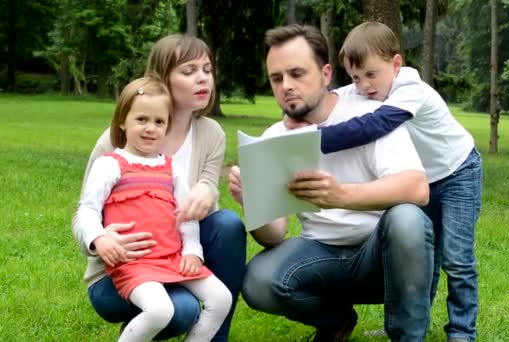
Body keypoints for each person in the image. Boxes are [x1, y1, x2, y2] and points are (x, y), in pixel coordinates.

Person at [229, 24, 435, 342]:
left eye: (298, 74)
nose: (287, 86)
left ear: (326, 74)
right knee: (259, 280)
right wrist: (252, 202)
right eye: (277, 78)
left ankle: (408, 336)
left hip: (380, 258)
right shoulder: (274, 138)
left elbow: (417, 187)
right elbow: (274, 235)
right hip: (320, 255)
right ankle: (336, 320)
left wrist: (340, 195)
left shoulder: (370, 115)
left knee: (407, 218)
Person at [285, 21, 483, 342]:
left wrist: (311, 140)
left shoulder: (409, 90)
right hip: (422, 181)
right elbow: (334, 97)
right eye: (355, 77)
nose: (363, 86)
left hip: (458, 172)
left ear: (396, 64)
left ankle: (462, 333)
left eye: (371, 75)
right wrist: (302, 112)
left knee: (457, 259)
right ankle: (411, 324)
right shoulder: (373, 87)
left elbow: (374, 125)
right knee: (424, 257)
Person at [72, 34, 246, 341]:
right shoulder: (115, 142)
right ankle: (140, 324)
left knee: (228, 224)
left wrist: (208, 189)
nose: (202, 78)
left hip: (174, 252)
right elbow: (84, 212)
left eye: (207, 69)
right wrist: (100, 239)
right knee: (178, 311)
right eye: (189, 71)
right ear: (161, 79)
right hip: (122, 266)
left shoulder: (211, 133)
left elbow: (196, 206)